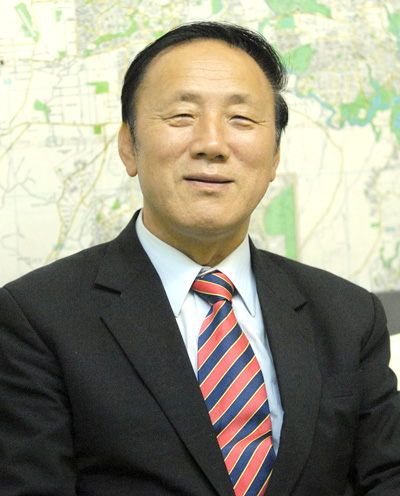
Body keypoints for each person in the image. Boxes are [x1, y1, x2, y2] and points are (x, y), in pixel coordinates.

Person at [0, 21, 399, 496]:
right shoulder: (35, 318)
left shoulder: (349, 315)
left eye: (241, 120)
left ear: (274, 156)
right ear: (128, 147)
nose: (212, 144)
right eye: (182, 116)